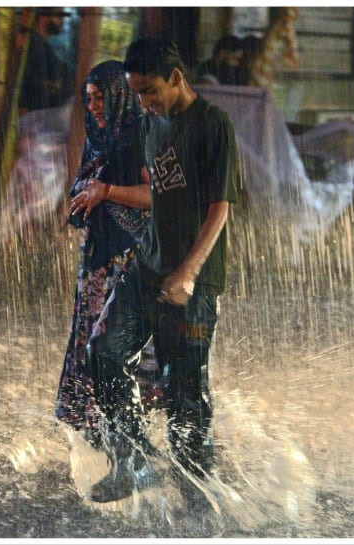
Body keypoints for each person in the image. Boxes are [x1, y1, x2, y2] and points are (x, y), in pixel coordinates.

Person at [84, 35, 239, 504]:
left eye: (151, 90)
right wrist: (107, 191)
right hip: (146, 270)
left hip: (194, 283)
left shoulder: (212, 124)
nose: (145, 102)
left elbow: (220, 209)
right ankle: (130, 461)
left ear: (176, 77)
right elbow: (158, 194)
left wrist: (189, 271)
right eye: (137, 94)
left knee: (185, 394)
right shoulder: (152, 126)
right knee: (104, 350)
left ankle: (200, 501)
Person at [56, 60, 157, 443]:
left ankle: (131, 439)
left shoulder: (139, 136)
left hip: (128, 260)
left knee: (115, 348)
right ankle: (102, 433)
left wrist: (107, 192)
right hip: (98, 260)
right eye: (90, 99)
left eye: (100, 98)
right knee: (92, 345)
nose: (94, 106)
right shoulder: (101, 138)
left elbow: (156, 197)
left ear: (119, 95)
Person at [19, 7, 73, 113]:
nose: (62, 22)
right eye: (59, 15)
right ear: (43, 16)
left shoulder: (40, 46)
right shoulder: (35, 48)